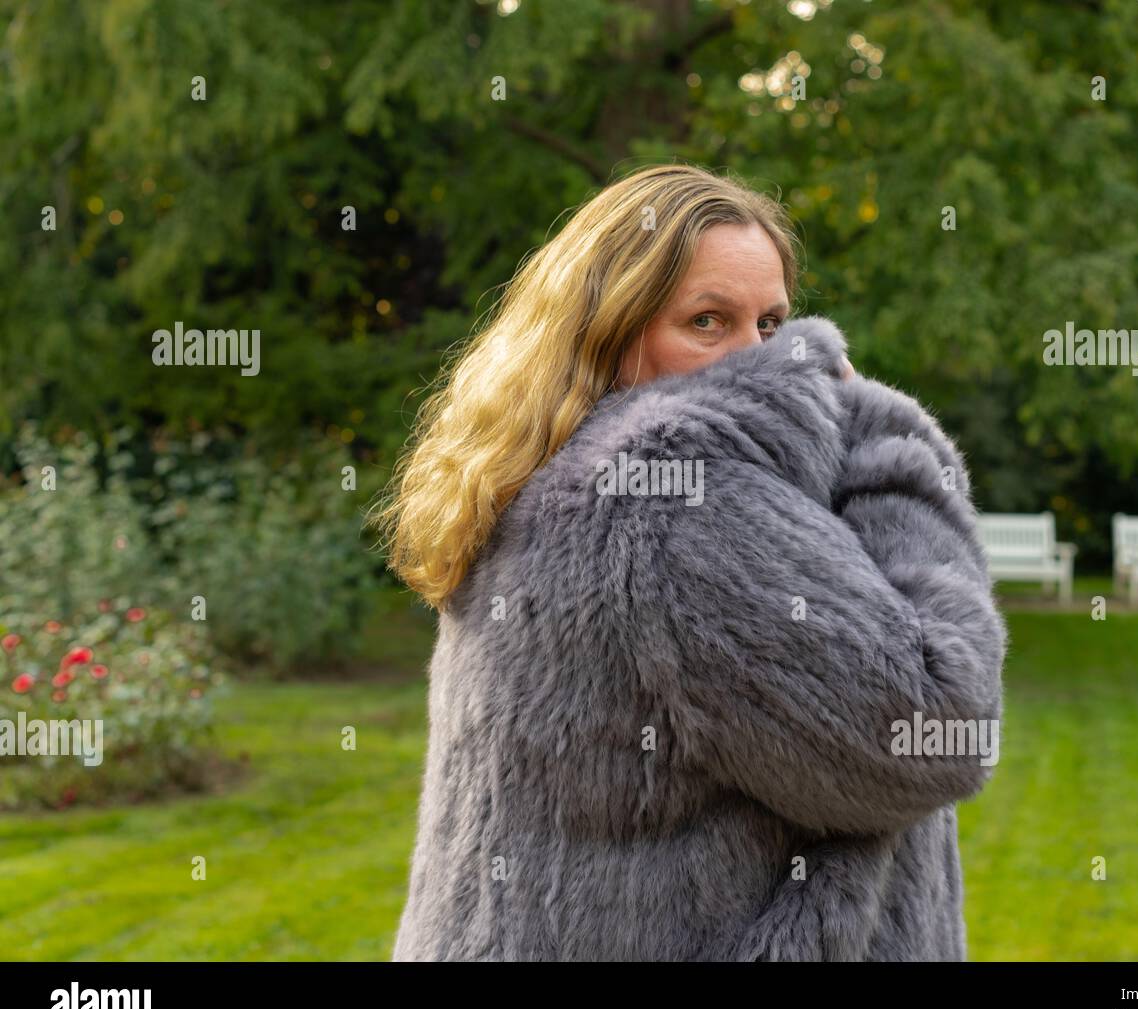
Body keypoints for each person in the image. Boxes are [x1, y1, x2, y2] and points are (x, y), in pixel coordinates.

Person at [376, 163, 1006, 961]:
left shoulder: (544, 472)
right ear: (611, 333)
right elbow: (936, 728)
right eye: (708, 322)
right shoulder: (674, 497)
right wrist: (889, 443)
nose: (764, 362)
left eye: (772, 325)